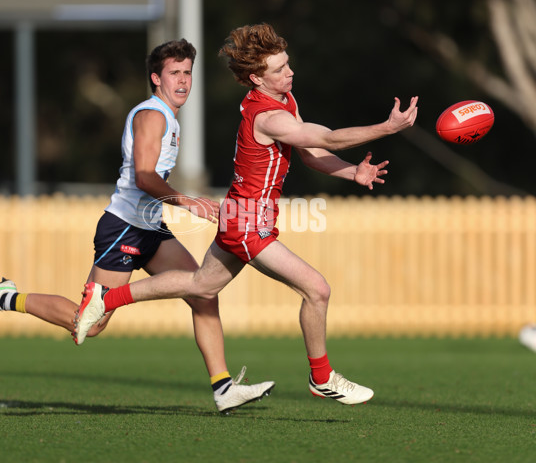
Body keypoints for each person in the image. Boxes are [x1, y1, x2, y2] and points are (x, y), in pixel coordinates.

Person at [73, 22, 419, 405]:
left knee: (201, 286)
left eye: (288, 64)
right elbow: (326, 137)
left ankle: (106, 300)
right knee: (317, 289)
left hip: (242, 215)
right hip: (247, 224)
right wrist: (388, 128)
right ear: (257, 78)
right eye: (280, 69)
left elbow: (310, 152)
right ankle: (322, 377)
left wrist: (352, 171)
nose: (290, 73)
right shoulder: (267, 117)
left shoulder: (285, 101)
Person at [0, 39, 275, 414]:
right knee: (88, 325)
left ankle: (223, 387)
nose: (183, 81)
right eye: (174, 73)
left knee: (203, 291)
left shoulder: (168, 118)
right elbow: (143, 177)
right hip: (124, 227)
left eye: (187, 72)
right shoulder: (152, 116)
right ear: (156, 78)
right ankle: (5, 296)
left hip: (150, 228)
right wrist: (189, 202)